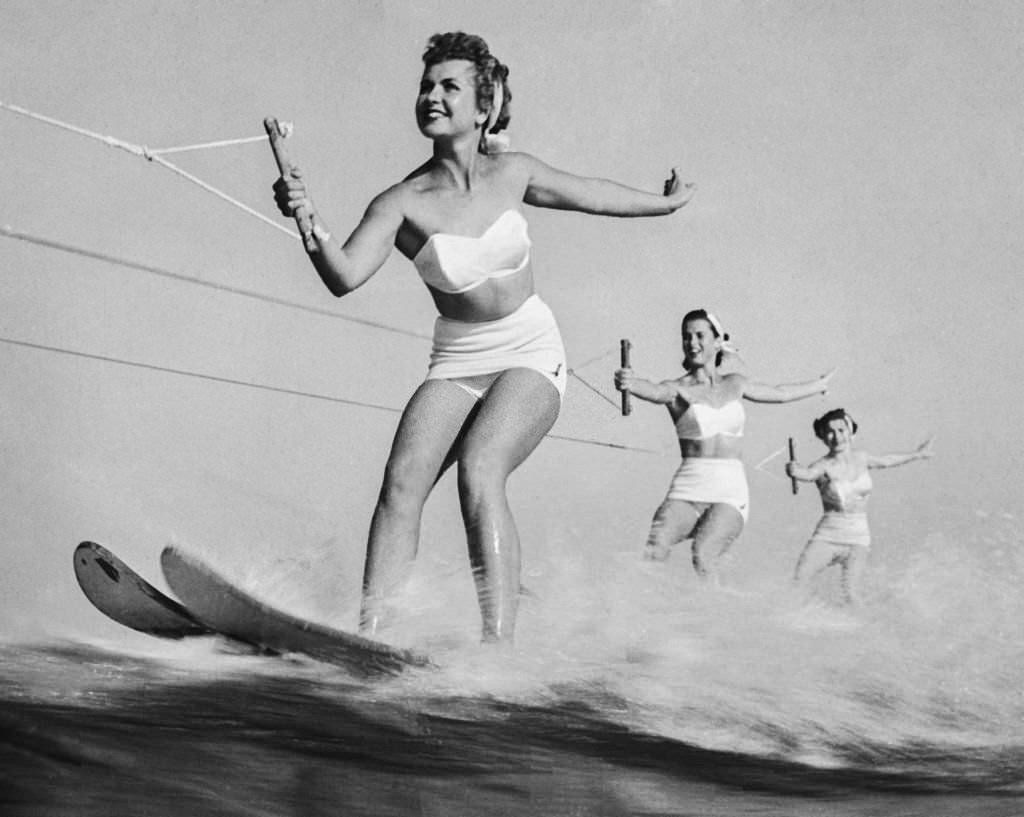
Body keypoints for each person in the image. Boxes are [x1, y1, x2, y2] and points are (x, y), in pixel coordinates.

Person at [272, 32, 696, 643]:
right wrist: (308, 221)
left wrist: (667, 204)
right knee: (401, 483)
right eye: (426, 86)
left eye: (449, 86)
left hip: (530, 352)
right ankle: (372, 638)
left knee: (480, 466)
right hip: (457, 359)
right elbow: (343, 277)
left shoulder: (513, 173)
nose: (432, 97)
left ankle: (498, 650)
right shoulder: (400, 202)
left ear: (483, 105)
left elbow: (594, 195)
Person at [614, 309, 833, 583]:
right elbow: (656, 391)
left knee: (703, 555)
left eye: (699, 336)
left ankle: (718, 618)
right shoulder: (677, 389)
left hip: (729, 493)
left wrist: (819, 385)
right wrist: (630, 383)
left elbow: (781, 392)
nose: (692, 343)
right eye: (686, 337)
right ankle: (642, 616)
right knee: (655, 547)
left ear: (717, 342)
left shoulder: (736, 383)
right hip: (689, 489)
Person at [786, 408, 934, 605]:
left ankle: (868, 630)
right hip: (828, 536)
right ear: (822, 437)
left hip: (858, 538)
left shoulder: (862, 458)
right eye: (829, 431)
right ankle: (800, 620)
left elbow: (887, 461)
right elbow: (807, 474)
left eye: (840, 430)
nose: (836, 436)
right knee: (800, 580)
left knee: (851, 595)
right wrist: (795, 471)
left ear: (850, 431)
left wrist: (918, 454)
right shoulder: (822, 465)